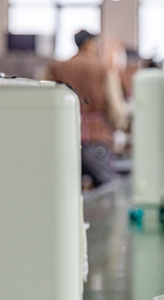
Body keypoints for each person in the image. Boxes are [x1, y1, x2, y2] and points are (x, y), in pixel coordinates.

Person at [46, 29, 128, 188]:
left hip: (65, 138)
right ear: (89, 43)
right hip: (96, 138)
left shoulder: (57, 67)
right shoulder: (103, 68)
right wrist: (120, 126)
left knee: (67, 190)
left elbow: (45, 99)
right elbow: (115, 104)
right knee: (107, 190)